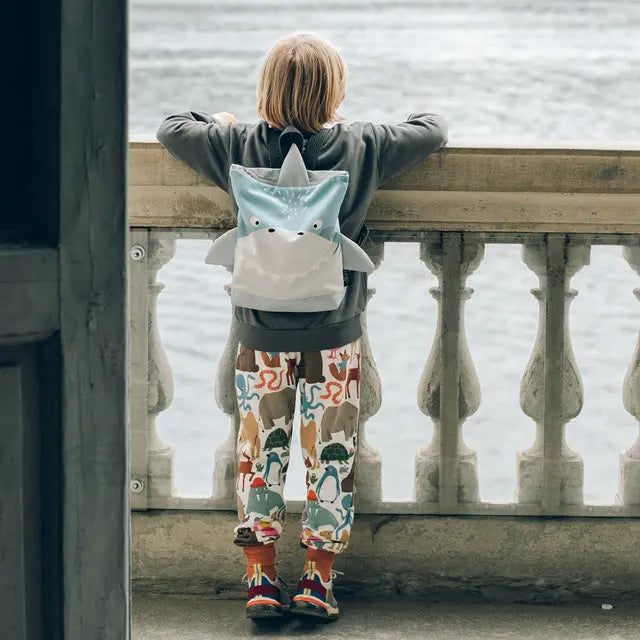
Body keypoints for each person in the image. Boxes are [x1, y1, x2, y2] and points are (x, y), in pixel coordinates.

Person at [157, 32, 447, 622]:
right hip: (334, 335)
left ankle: (261, 581)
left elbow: (170, 126)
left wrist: (223, 117)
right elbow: (433, 127)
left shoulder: (235, 143)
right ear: (335, 89)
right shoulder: (364, 145)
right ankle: (317, 583)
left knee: (259, 455)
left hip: (260, 336)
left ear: (268, 87)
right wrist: (364, 123)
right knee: (329, 458)